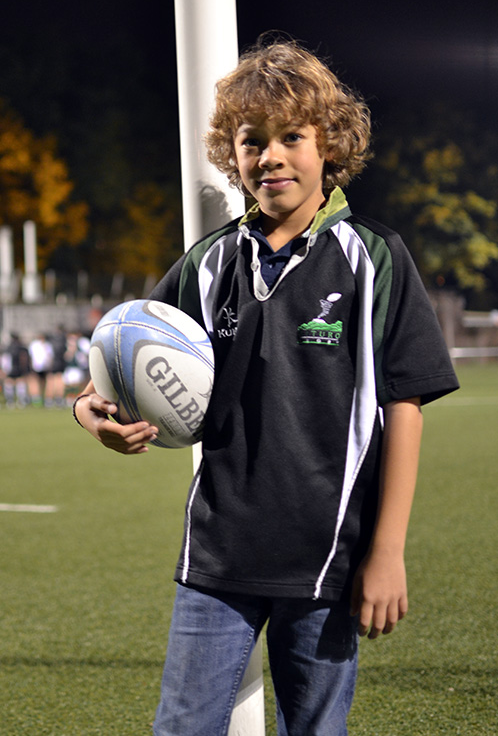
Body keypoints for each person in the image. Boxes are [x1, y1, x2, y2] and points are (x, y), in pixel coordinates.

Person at [72, 38, 459, 736]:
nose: (270, 156)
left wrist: (388, 551)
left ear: (329, 148)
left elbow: (404, 405)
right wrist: (89, 412)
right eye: (252, 141)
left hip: (329, 557)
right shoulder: (211, 262)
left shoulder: (373, 257)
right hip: (217, 553)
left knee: (314, 728)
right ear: (232, 153)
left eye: (292, 138)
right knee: (181, 727)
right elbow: (120, 357)